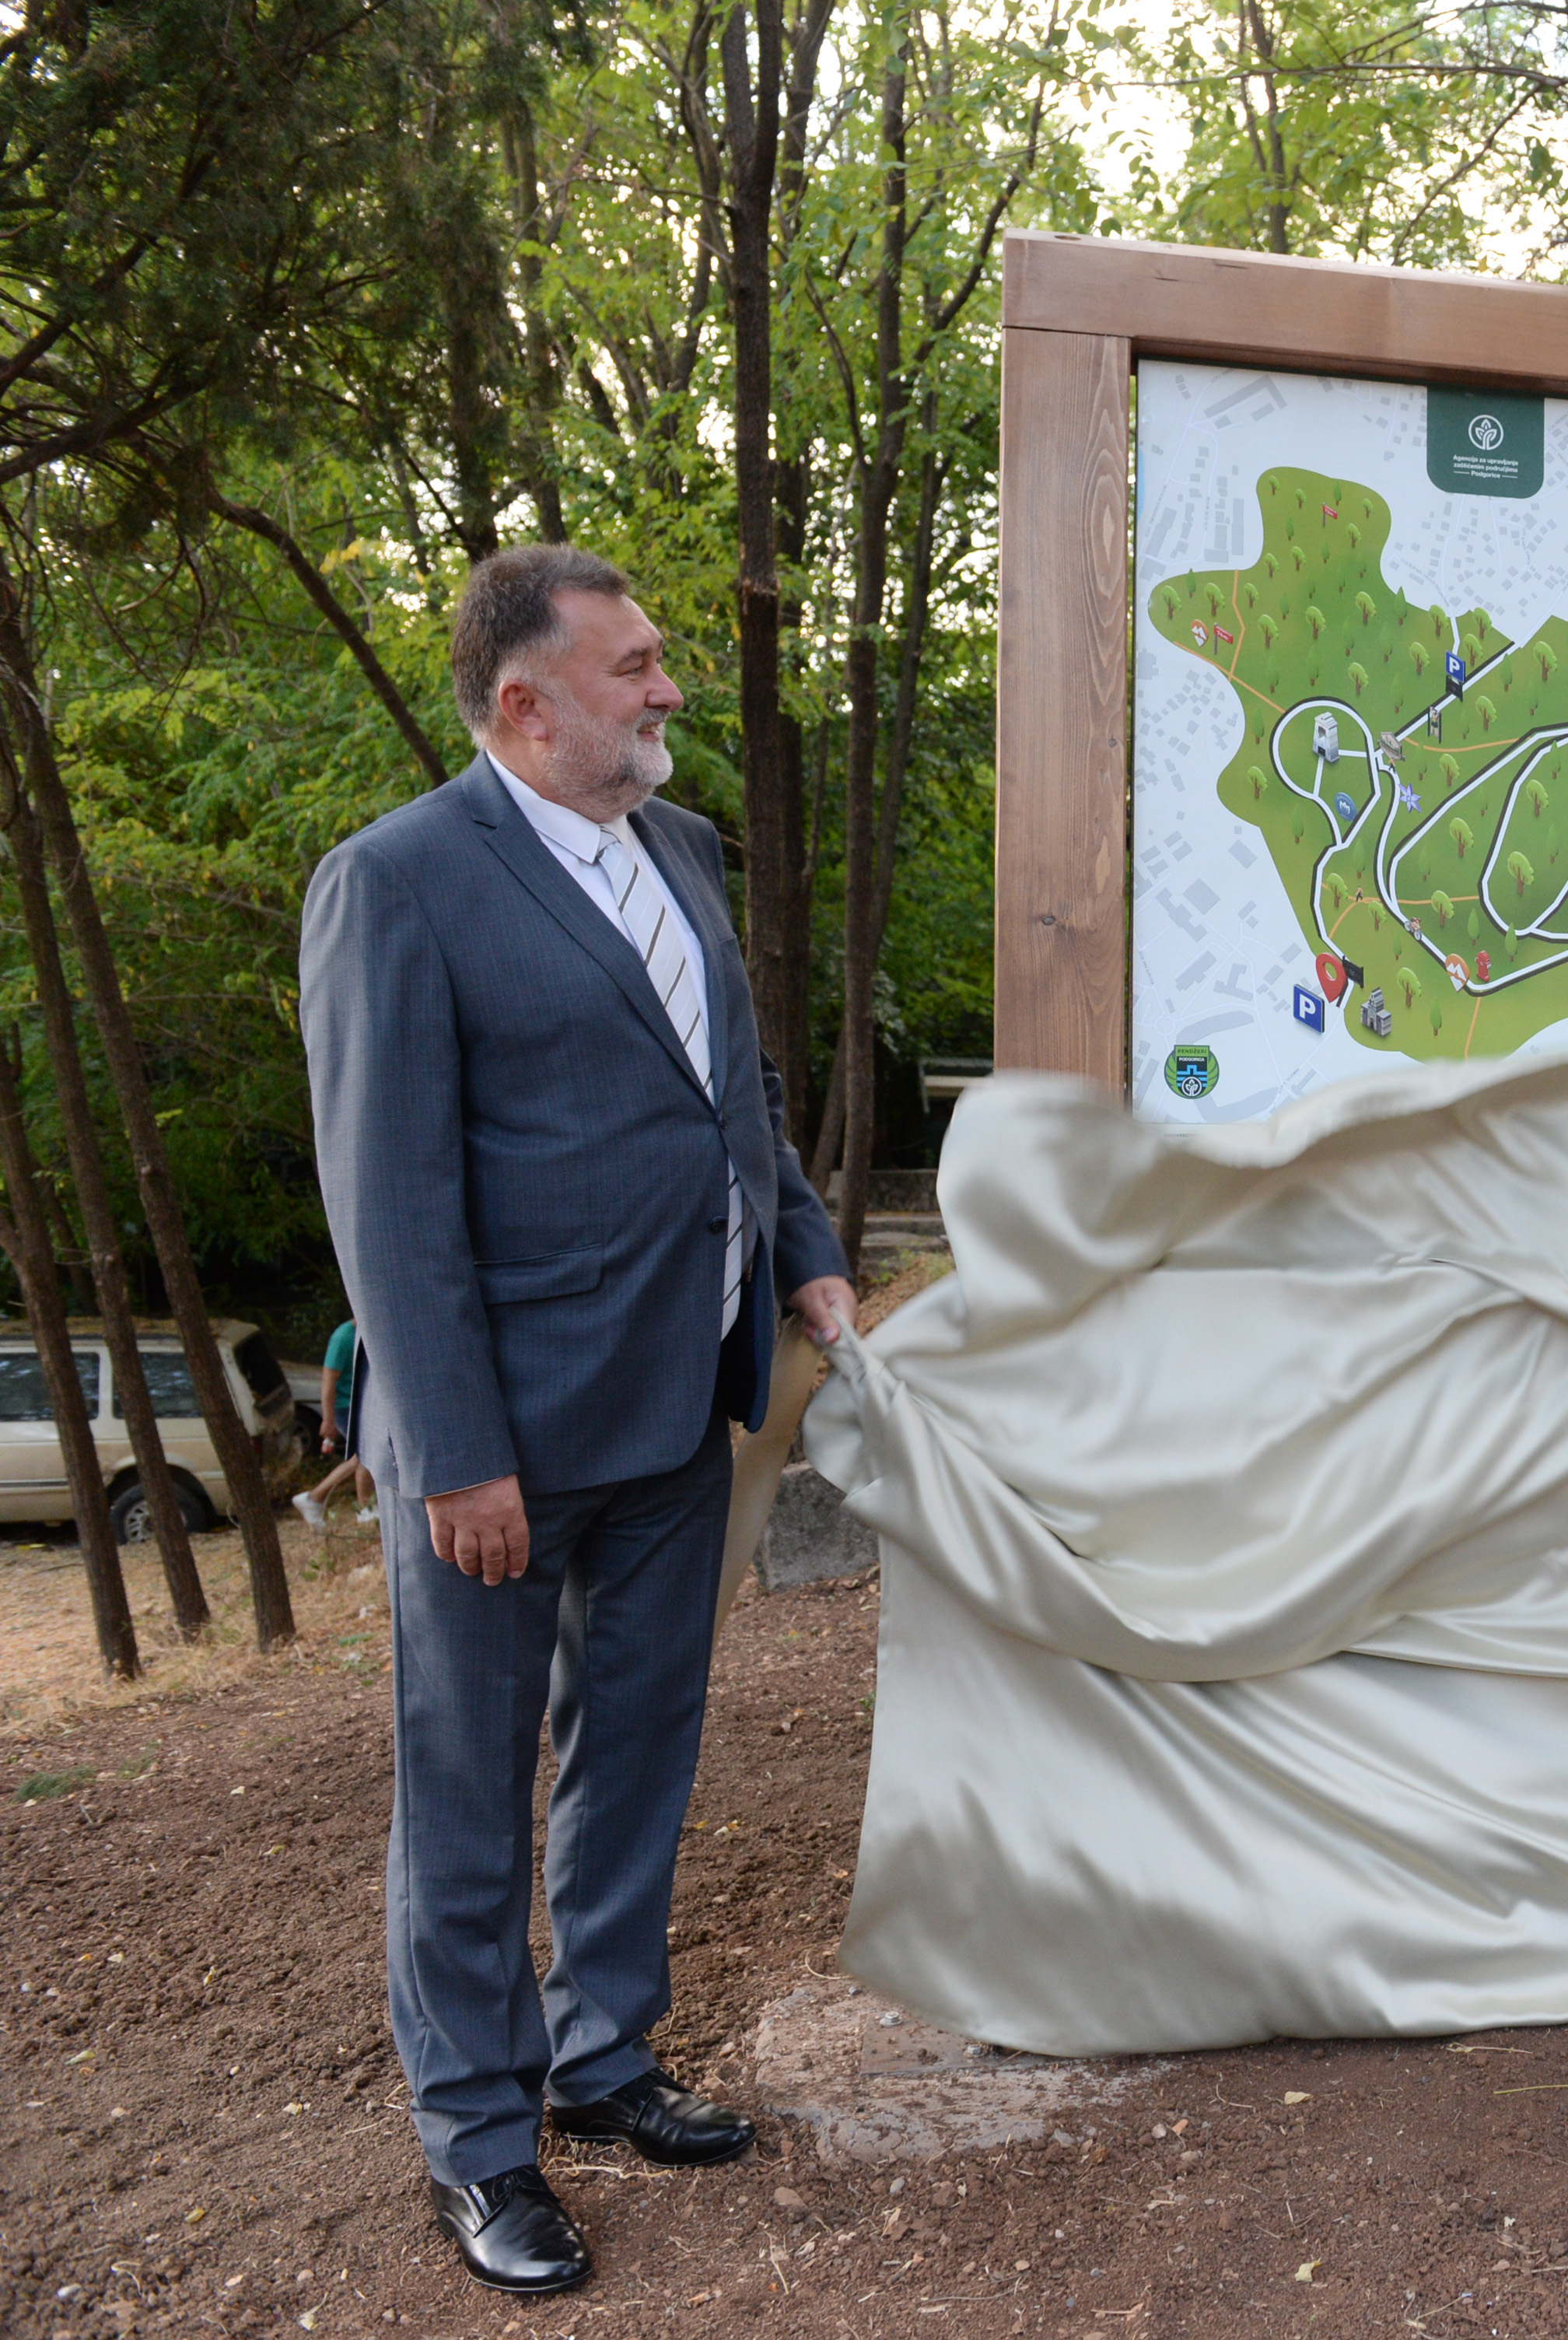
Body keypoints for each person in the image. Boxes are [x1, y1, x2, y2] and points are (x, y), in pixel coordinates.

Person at [300, 545, 854, 2296]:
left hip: (681, 1410)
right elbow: (387, 1202)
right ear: (524, 705)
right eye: (633, 668)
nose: (668, 688)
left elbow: (736, 1104)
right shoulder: (396, 884)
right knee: (467, 1799)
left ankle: (605, 2061)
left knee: (638, 1755)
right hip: (503, 1453)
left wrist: (810, 1261)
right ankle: (480, 2139)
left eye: (661, 659)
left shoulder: (680, 851)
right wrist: (456, 1452)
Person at [295, 1317, 369, 1526]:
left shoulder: (370, 1330)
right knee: (365, 1457)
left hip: (362, 1404)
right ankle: (366, 1508)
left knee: (362, 1457)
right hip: (345, 1406)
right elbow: (328, 1381)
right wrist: (328, 1420)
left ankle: (314, 1499)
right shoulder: (342, 1338)